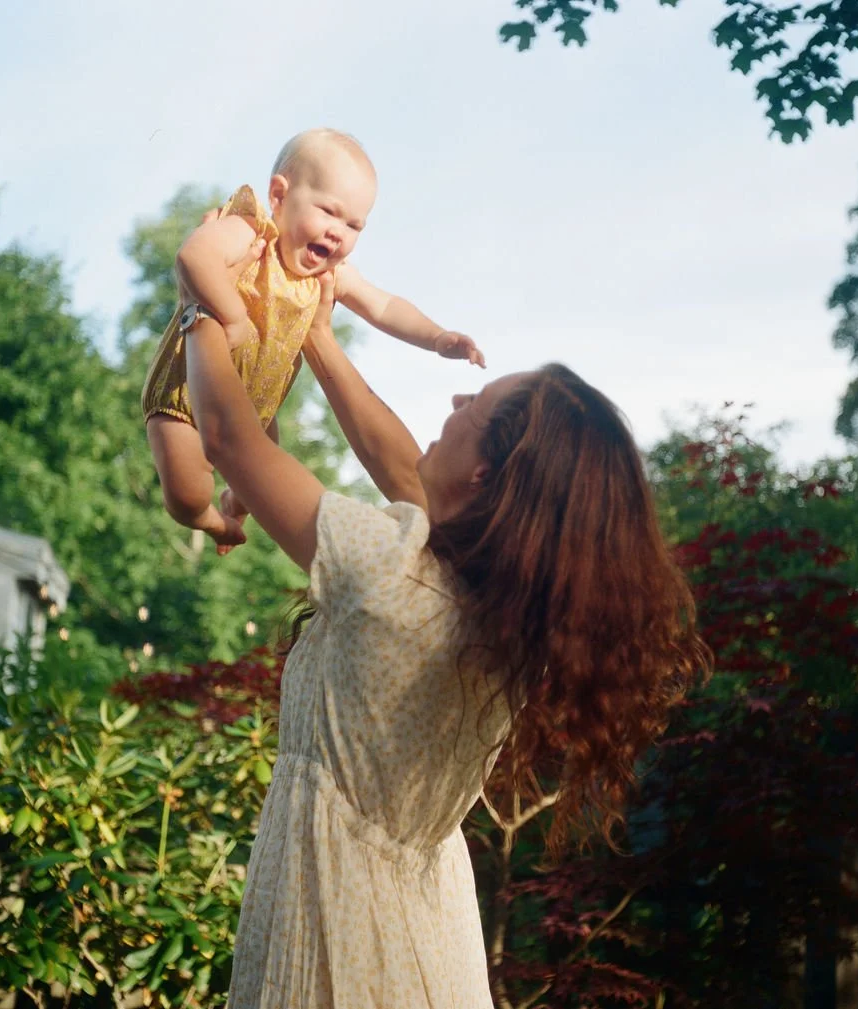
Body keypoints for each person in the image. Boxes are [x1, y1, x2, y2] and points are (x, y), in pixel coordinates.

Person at [183, 242, 711, 1007]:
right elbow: (403, 467)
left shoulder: (388, 571)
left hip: (336, 923)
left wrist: (202, 301)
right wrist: (318, 338)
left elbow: (230, 437)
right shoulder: (492, 615)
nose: (457, 405)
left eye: (478, 406)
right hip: (422, 930)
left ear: (486, 475)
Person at [142, 127, 484, 552]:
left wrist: (436, 337)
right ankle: (212, 523)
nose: (339, 231)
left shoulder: (329, 275)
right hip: (185, 390)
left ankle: (237, 503)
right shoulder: (250, 231)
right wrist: (231, 316)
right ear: (280, 196)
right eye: (329, 211)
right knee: (187, 494)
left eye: (354, 224)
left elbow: (383, 306)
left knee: (265, 481)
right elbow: (193, 256)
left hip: (257, 403)